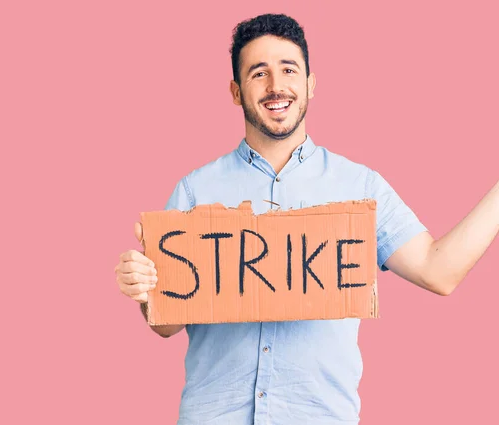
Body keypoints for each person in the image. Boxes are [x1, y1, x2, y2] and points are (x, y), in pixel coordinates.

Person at [114, 13, 499, 425]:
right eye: (258, 73)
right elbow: (167, 326)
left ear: (311, 84)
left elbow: (438, 270)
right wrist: (146, 289)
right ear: (235, 91)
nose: (276, 86)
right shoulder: (194, 191)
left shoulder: (360, 187)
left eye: (288, 70)